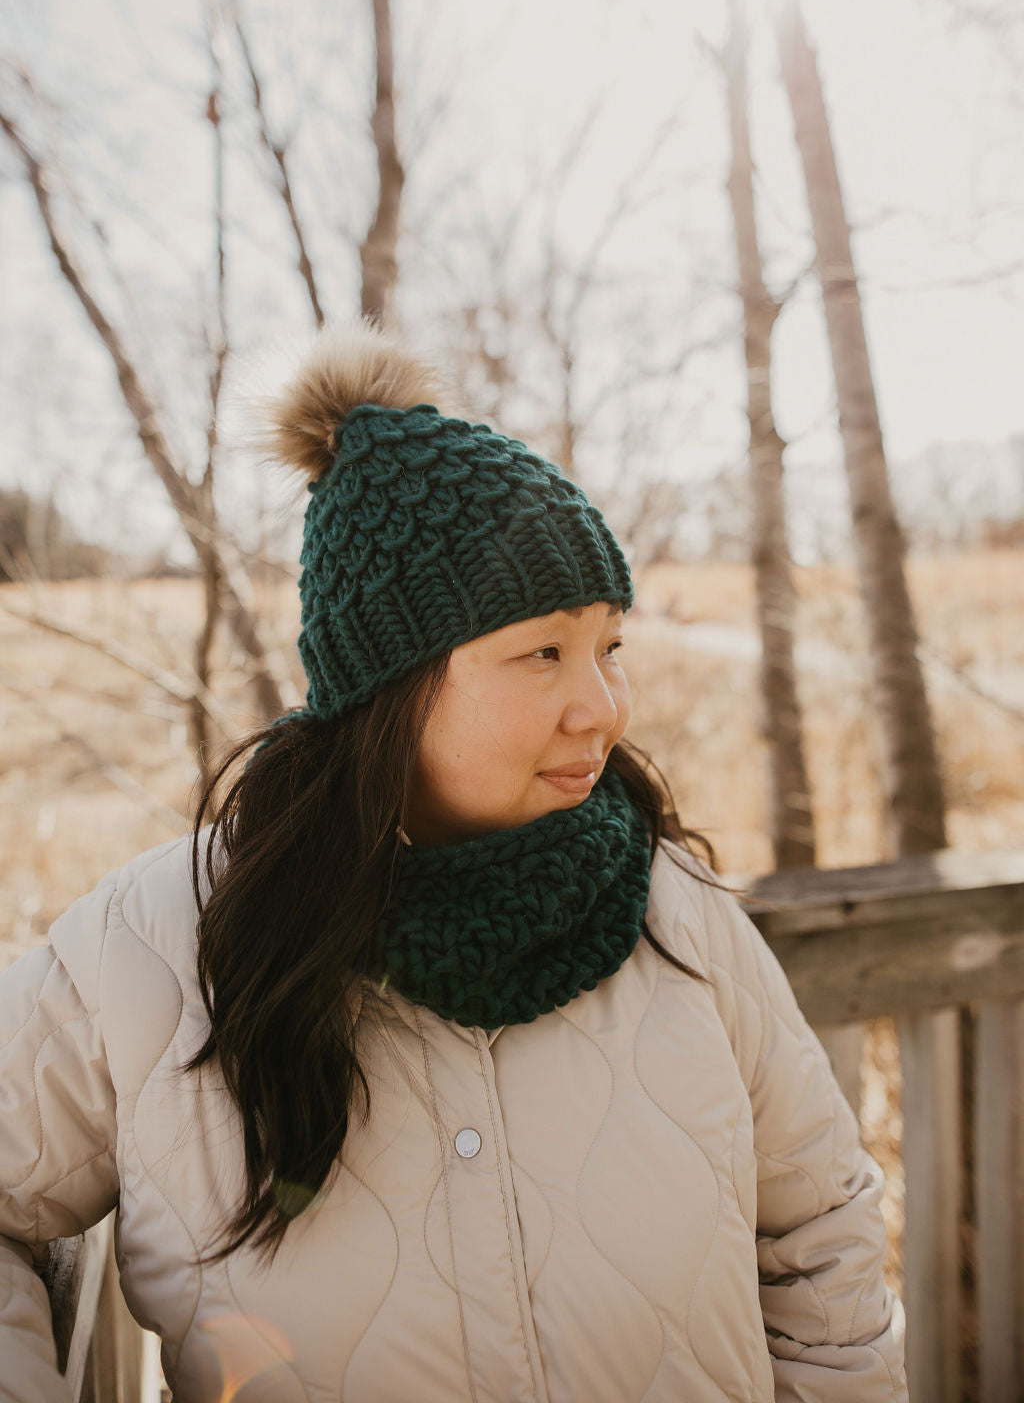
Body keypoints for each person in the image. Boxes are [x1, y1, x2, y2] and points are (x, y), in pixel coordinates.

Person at [0, 325, 907, 1402]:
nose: (604, 706)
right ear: (390, 683)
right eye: (543, 653)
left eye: (609, 646)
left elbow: (823, 1231)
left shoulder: (680, 912)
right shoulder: (148, 945)